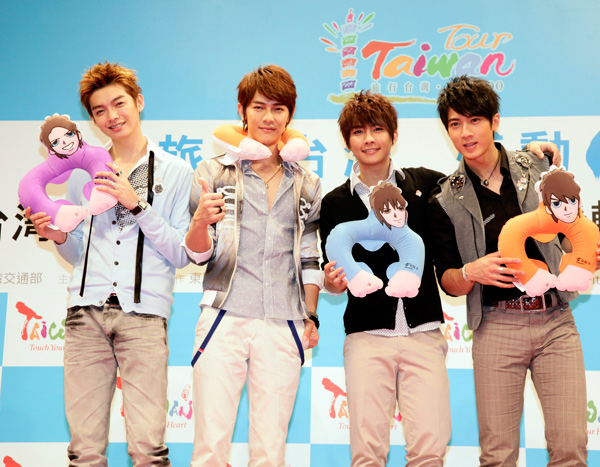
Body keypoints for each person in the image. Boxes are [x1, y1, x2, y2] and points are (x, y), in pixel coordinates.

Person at [26, 61, 193, 466]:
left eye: (119, 104)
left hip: (145, 317)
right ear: (92, 119)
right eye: (100, 111)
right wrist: (58, 236)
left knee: (148, 449)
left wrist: (137, 204)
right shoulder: (80, 172)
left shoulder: (175, 170)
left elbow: (181, 252)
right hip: (85, 315)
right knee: (84, 450)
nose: (112, 116)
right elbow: (78, 250)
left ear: (139, 102)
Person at [427, 75, 589, 466]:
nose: (466, 133)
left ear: (494, 121)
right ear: (447, 130)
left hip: (555, 321)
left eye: (474, 120)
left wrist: (583, 255)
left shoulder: (536, 166)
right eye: (455, 124)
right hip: (497, 326)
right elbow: (448, 280)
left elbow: (572, 230)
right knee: (498, 455)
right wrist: (472, 271)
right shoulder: (445, 198)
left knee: (570, 447)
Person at [184, 64, 321, 467]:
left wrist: (311, 314)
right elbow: (197, 254)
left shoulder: (307, 183)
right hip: (224, 315)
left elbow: (310, 255)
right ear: (242, 111)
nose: (268, 117)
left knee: (270, 450)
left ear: (289, 115)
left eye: (278, 109)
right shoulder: (212, 172)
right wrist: (199, 222)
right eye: (259, 107)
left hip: (284, 320)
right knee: (210, 446)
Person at [319, 90, 451, 467]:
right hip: (366, 337)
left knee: (429, 450)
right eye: (358, 131)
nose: (369, 139)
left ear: (394, 135)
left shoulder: (427, 186)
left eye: (377, 129)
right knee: (367, 453)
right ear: (347, 142)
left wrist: (531, 154)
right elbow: (332, 270)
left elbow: (475, 177)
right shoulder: (334, 203)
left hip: (423, 333)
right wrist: (332, 282)